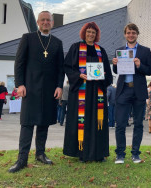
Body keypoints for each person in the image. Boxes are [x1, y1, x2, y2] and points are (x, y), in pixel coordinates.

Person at [9, 11, 65, 173]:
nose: (46, 22)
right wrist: (20, 84)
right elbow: (19, 62)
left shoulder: (57, 42)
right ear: (38, 22)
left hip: (49, 89)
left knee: (44, 123)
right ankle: (22, 159)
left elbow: (60, 67)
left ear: (52, 23)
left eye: (48, 20)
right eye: (43, 20)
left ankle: (40, 153)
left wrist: (59, 86)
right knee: (27, 123)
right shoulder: (28, 38)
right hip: (30, 88)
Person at [63, 22, 112, 162]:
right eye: (89, 32)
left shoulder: (100, 50)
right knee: (82, 121)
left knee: (98, 121)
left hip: (97, 92)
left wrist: (102, 75)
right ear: (84, 33)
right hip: (81, 92)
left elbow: (107, 73)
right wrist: (79, 75)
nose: (91, 34)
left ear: (96, 35)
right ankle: (81, 152)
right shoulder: (76, 48)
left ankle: (99, 153)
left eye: (93, 32)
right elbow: (67, 67)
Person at [112, 23, 151, 164]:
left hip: (139, 90)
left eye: (133, 32)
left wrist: (139, 65)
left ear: (137, 34)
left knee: (138, 124)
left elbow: (149, 70)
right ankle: (120, 154)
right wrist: (115, 64)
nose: (131, 35)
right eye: (128, 32)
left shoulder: (145, 51)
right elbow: (116, 71)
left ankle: (136, 153)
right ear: (125, 34)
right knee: (121, 124)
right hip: (123, 90)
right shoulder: (120, 50)